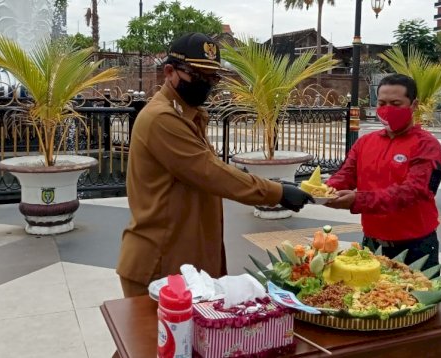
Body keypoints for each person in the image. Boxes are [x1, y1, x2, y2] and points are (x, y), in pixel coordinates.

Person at [117, 33, 313, 297]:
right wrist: (276, 192)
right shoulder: (162, 118)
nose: (206, 84)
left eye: (213, 78)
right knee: (161, 339)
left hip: (187, 261)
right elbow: (211, 173)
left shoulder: (189, 115)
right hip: (160, 263)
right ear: (169, 71)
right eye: (198, 76)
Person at [325, 74, 441, 271]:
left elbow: (412, 191)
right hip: (373, 243)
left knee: (417, 298)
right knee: (370, 298)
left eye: (396, 103)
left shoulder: (426, 145)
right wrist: (322, 191)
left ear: (413, 105)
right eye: (382, 103)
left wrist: (357, 200)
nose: (387, 109)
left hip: (416, 246)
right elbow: (346, 175)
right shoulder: (365, 142)